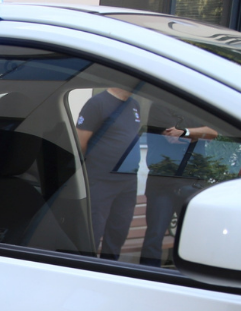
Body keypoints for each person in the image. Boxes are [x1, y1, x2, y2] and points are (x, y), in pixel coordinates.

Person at [139, 103, 217, 267]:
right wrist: (196, 133)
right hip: (163, 181)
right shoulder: (160, 106)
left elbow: (213, 133)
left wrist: (186, 132)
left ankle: (189, 275)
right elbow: (173, 137)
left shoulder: (197, 106)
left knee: (193, 235)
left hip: (192, 180)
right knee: (155, 234)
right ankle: (148, 275)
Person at [76, 87, 142, 261]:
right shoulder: (97, 103)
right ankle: (86, 267)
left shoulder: (134, 105)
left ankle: (109, 268)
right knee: (93, 230)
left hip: (128, 181)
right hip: (101, 179)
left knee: (119, 230)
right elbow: (80, 143)